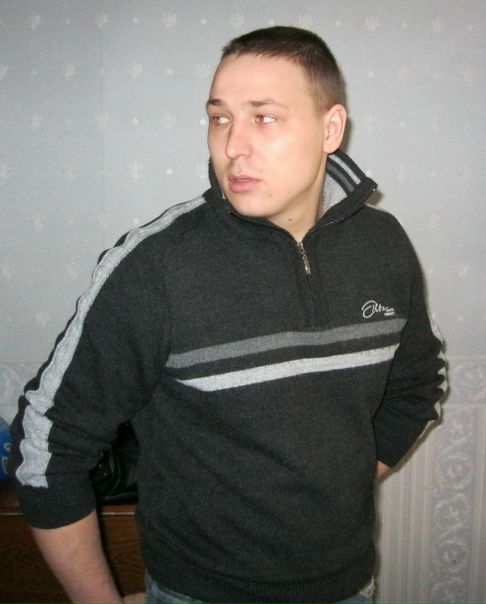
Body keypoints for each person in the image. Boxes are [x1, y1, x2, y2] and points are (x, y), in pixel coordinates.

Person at [8, 26, 446, 604]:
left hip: (348, 587)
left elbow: (419, 385)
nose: (233, 145)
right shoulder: (157, 266)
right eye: (219, 118)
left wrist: (343, 483)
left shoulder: (383, 246)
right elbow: (46, 441)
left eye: (264, 117)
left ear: (331, 129)